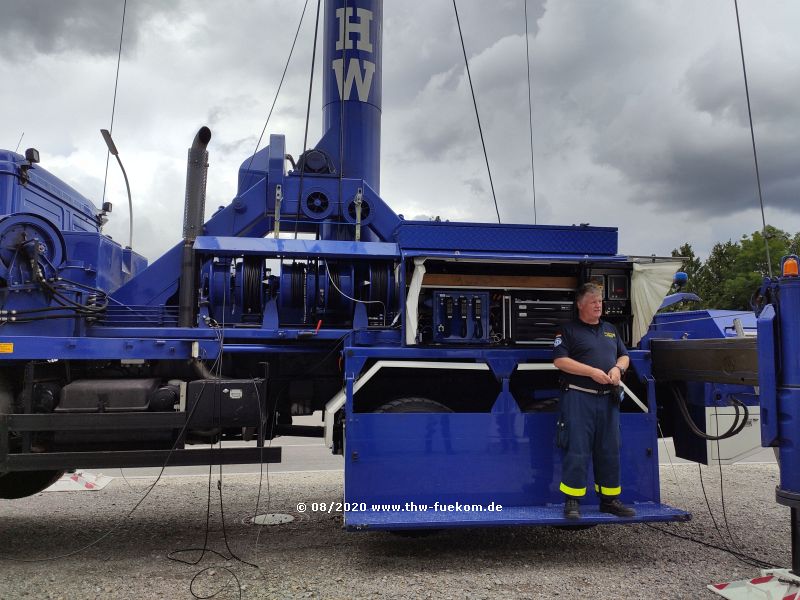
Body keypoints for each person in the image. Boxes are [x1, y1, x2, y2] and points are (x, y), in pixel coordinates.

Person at [552, 282, 636, 520]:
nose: (598, 305)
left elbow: (624, 355)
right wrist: (590, 372)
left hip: (607, 399)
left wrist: (618, 369)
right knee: (577, 449)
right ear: (580, 305)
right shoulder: (567, 331)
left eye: (600, 301)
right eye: (593, 301)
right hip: (579, 398)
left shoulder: (610, 329)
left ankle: (609, 501)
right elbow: (560, 361)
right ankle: (572, 502)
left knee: (609, 449)